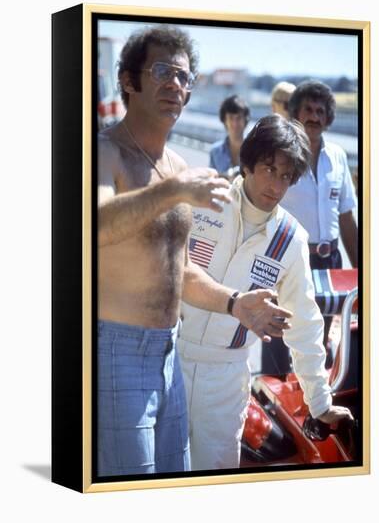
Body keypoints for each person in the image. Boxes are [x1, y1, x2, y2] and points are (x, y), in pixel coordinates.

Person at [97, 26, 292, 477]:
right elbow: (92, 226)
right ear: (129, 80)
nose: (175, 85)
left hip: (170, 355)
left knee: (175, 481)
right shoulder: (104, 151)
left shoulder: (178, 168)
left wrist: (234, 302)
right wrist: (173, 192)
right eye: (162, 71)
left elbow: (181, 271)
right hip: (117, 350)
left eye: (184, 77)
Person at [178, 115, 353, 471]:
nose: (275, 184)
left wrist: (319, 402)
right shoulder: (204, 201)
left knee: (212, 479)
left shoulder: (291, 240)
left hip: (226, 378)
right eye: (269, 169)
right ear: (247, 163)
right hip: (169, 360)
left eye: (286, 176)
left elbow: (305, 325)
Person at [281, 80, 358, 349]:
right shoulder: (282, 156)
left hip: (330, 264)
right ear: (296, 114)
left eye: (320, 111)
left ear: (328, 118)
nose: (314, 116)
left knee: (319, 343)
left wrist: (361, 270)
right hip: (291, 262)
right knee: (282, 338)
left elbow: (347, 217)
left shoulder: (337, 156)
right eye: (308, 110)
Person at [209, 94, 250, 180]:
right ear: (224, 120)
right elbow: (211, 181)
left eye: (238, 118)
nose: (235, 123)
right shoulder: (215, 152)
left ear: (245, 119)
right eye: (231, 118)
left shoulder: (255, 150)